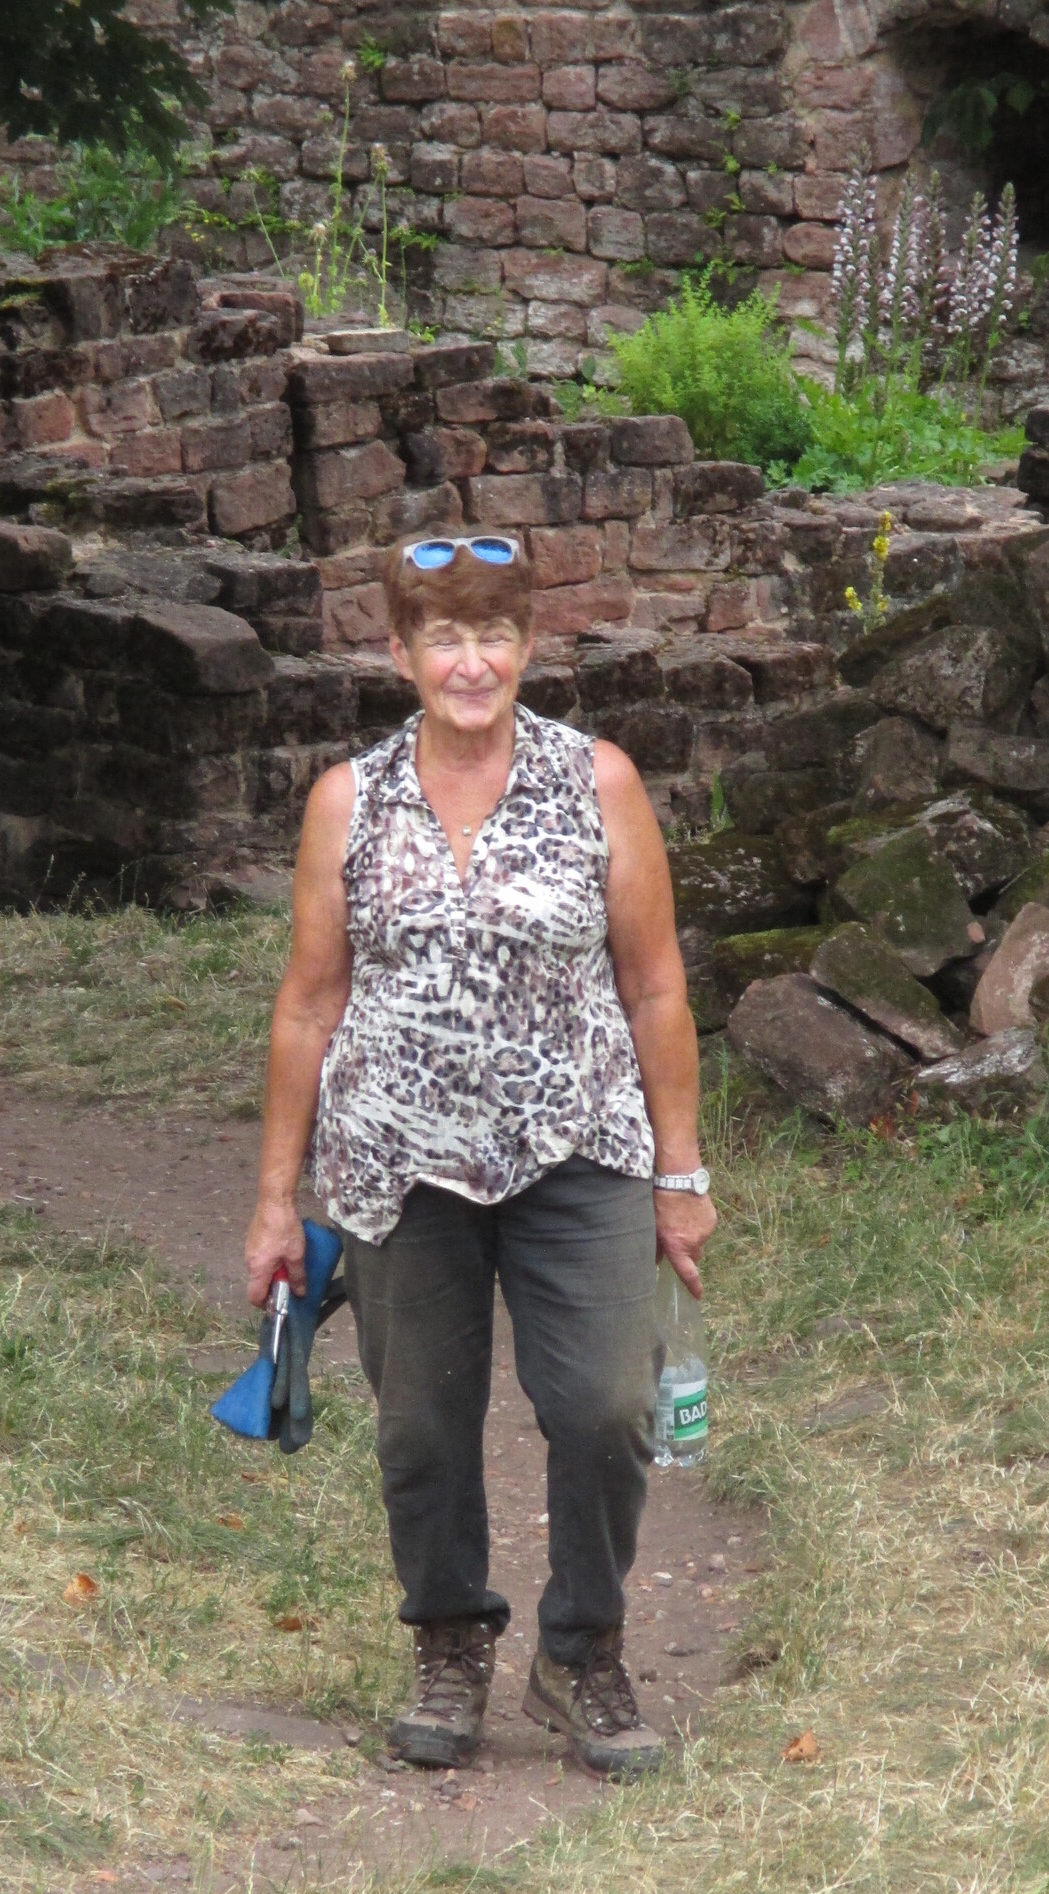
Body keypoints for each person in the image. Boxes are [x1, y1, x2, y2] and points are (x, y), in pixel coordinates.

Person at [243, 533, 716, 1779]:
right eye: (444, 637)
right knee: (423, 1428)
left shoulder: (596, 780)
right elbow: (308, 1002)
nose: (471, 663)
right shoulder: (348, 801)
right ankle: (449, 1642)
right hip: (398, 1166)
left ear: (528, 646)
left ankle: (582, 1650)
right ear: (400, 653)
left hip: (581, 1147)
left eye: (494, 635)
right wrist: (277, 1202)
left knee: (606, 1407)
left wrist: (681, 1177)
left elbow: (656, 987)